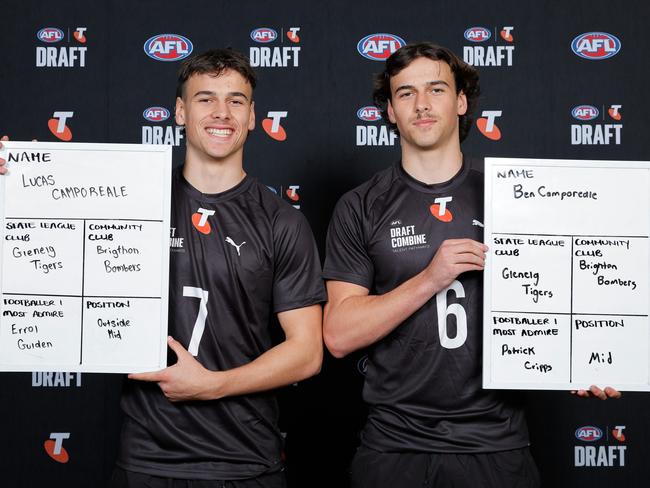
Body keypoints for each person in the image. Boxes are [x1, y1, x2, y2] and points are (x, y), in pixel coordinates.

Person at [1, 47, 326, 487]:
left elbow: (306, 352)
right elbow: (48, 253)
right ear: (179, 112)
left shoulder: (281, 221)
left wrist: (214, 384)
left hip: (246, 461)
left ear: (252, 117)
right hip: (148, 461)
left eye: (236, 100)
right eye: (205, 98)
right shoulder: (127, 202)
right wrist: (27, 180)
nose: (221, 112)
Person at [321, 42, 619, 488]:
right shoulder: (360, 206)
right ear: (389, 111)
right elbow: (339, 335)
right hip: (394, 447)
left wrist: (582, 358)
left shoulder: (516, 197)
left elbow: (556, 305)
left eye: (436, 89)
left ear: (461, 102)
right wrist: (430, 278)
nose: (422, 104)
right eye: (405, 93)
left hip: (496, 447)